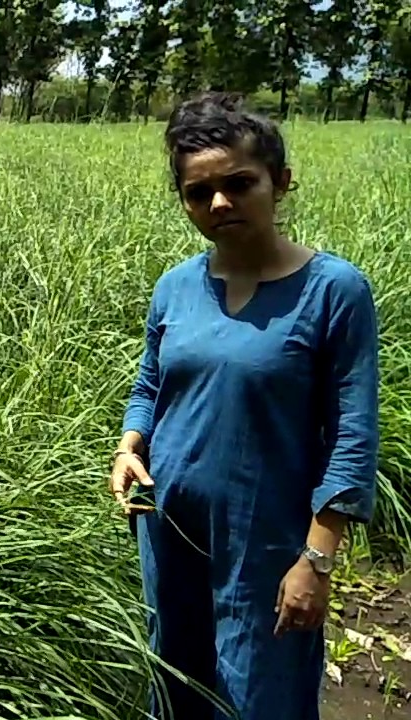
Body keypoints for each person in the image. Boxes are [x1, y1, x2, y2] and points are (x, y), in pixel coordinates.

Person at [110, 92, 380, 720]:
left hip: (269, 533)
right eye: (199, 192)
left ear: (280, 182)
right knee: (175, 671)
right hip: (169, 523)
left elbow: (353, 435)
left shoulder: (334, 291)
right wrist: (130, 446)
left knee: (262, 689)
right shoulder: (175, 287)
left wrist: (317, 559)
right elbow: (150, 385)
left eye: (239, 183)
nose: (219, 203)